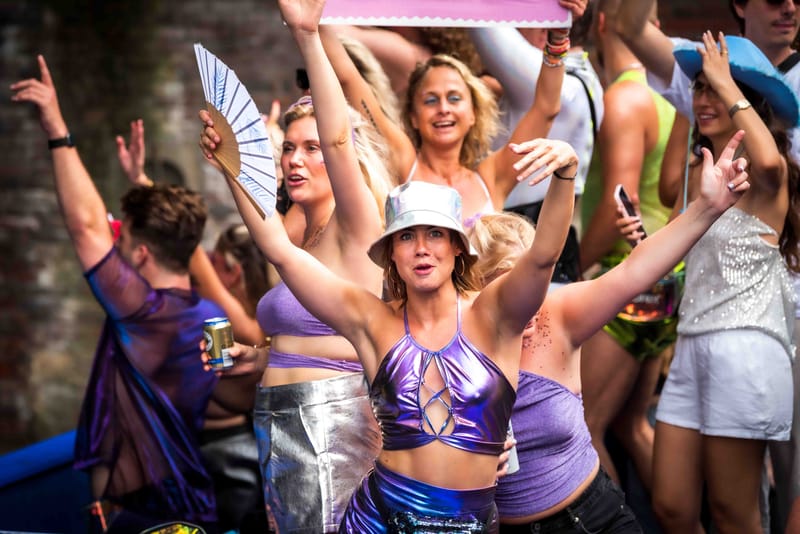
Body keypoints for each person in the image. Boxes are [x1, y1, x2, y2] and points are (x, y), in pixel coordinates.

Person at [469, 128, 751, 533]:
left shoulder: (559, 313)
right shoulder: (457, 342)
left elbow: (636, 271)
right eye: (503, 286)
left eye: (530, 283)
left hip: (596, 518)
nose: (524, 299)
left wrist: (707, 207)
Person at [198, 0, 394, 530]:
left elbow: (337, 139)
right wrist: (256, 357)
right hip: (276, 422)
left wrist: (307, 36)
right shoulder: (296, 232)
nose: (294, 160)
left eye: (311, 148)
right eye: (288, 148)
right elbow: (271, 245)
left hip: (332, 423)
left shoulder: (359, 221)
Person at [11, 56, 222, 532]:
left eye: (121, 242)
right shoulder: (211, 316)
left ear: (142, 254)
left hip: (148, 517)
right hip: (195, 510)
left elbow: (86, 227)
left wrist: (57, 130)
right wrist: (144, 187)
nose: (114, 245)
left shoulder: (145, 315)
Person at [614, 3, 800, 528]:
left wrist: (723, 78)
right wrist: (645, 240)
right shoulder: (702, 173)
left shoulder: (768, 172)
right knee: (672, 504)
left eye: (714, 88)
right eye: (698, 88)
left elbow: (767, 162)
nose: (703, 98)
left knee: (732, 511)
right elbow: (688, 259)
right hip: (692, 343)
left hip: (747, 347)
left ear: (748, 101)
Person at [115, 119, 270, 532]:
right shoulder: (226, 316)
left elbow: (190, 254)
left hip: (226, 469)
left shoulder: (239, 324)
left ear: (233, 272)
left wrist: (146, 187)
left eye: (216, 264)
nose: (206, 270)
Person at [319, 1, 582, 226]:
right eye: (431, 100)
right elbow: (349, 78)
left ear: (473, 113)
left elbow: (546, 109)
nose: (443, 108)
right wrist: (311, 22)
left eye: (454, 98)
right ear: (413, 117)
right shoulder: (404, 164)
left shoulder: (492, 177)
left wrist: (558, 36)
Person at [577, 0, 676, 495]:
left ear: (599, 23)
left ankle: (615, 528)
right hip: (664, 280)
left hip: (625, 278)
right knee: (630, 424)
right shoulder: (666, 96)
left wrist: (570, 267)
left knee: (585, 427)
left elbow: (623, 203)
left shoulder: (623, 99)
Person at [468, 0, 599, 285]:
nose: (512, 26)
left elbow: (475, 13)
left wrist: (556, 27)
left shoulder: (554, 86)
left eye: (517, 15)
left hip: (523, 249)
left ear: (543, 29)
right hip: (558, 252)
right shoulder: (591, 83)